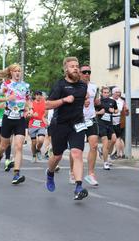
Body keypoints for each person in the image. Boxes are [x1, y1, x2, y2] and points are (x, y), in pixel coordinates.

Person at [45, 56, 88, 200]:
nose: (76, 68)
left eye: (77, 66)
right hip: (60, 124)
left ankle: (79, 186)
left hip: (77, 124)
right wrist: (64, 100)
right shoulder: (60, 85)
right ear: (66, 70)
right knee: (57, 155)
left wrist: (87, 101)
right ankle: (50, 173)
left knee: (77, 153)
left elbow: (84, 96)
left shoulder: (83, 85)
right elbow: (47, 104)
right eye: (72, 66)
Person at [0, 63, 30, 185]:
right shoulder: (6, 85)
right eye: (15, 71)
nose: (18, 73)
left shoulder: (25, 86)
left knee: (18, 146)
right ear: (11, 72)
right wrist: (8, 98)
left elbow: (28, 100)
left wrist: (29, 109)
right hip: (8, 118)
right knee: (3, 146)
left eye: (19, 70)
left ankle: (16, 174)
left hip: (20, 119)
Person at [79, 64, 99, 186]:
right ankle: (72, 172)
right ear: (80, 73)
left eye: (89, 72)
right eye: (84, 72)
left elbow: (96, 101)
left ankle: (91, 174)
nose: (87, 74)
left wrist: (97, 102)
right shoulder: (75, 86)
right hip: (78, 119)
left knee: (94, 145)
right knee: (77, 149)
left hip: (91, 118)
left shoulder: (94, 87)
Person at [96, 86, 118, 170]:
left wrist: (114, 111)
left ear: (109, 93)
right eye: (104, 92)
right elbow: (92, 113)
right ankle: (105, 163)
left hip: (110, 124)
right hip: (101, 124)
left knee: (114, 139)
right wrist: (98, 112)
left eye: (107, 92)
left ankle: (104, 153)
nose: (106, 94)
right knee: (105, 143)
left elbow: (116, 110)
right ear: (101, 93)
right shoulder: (98, 102)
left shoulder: (112, 101)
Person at [110, 87, 129, 159]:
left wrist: (126, 111)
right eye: (117, 92)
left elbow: (127, 113)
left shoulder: (122, 101)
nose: (118, 94)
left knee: (118, 138)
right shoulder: (110, 100)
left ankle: (118, 154)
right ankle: (122, 154)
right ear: (113, 93)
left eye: (119, 92)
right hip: (112, 121)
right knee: (119, 138)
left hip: (119, 121)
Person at [28, 90, 47, 163]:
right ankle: (33, 155)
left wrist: (44, 118)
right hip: (32, 124)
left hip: (41, 124)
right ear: (35, 96)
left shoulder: (44, 103)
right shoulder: (31, 104)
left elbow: (46, 113)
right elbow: (28, 116)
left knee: (41, 140)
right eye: (37, 95)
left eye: (40, 95)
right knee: (33, 142)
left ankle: (38, 150)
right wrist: (32, 115)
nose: (39, 96)